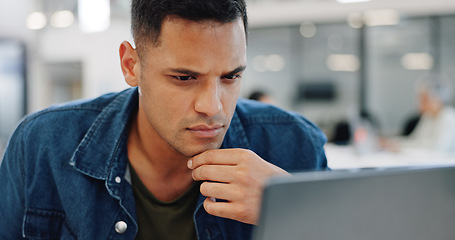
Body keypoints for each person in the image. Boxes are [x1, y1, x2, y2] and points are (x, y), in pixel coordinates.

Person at [0, 0, 328, 239]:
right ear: (131, 65)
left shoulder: (295, 144)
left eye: (230, 77)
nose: (213, 107)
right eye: (184, 78)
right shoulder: (43, 144)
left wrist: (293, 211)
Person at [397, 74, 455, 153]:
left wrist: (402, 149)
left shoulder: (449, 118)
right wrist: (396, 144)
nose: (419, 102)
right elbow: (415, 140)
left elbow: (437, 149)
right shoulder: (428, 116)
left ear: (437, 98)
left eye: (424, 98)